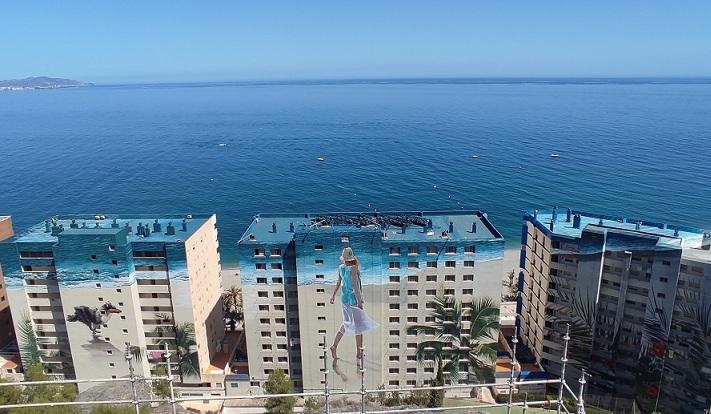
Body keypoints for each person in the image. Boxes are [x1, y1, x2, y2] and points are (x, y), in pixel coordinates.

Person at [329, 247, 377, 364]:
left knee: (347, 323)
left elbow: (338, 282)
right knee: (358, 326)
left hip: (344, 299)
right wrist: (360, 301)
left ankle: (334, 346)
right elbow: (355, 286)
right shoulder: (354, 268)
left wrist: (333, 295)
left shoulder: (341, 268)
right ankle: (359, 352)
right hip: (354, 300)